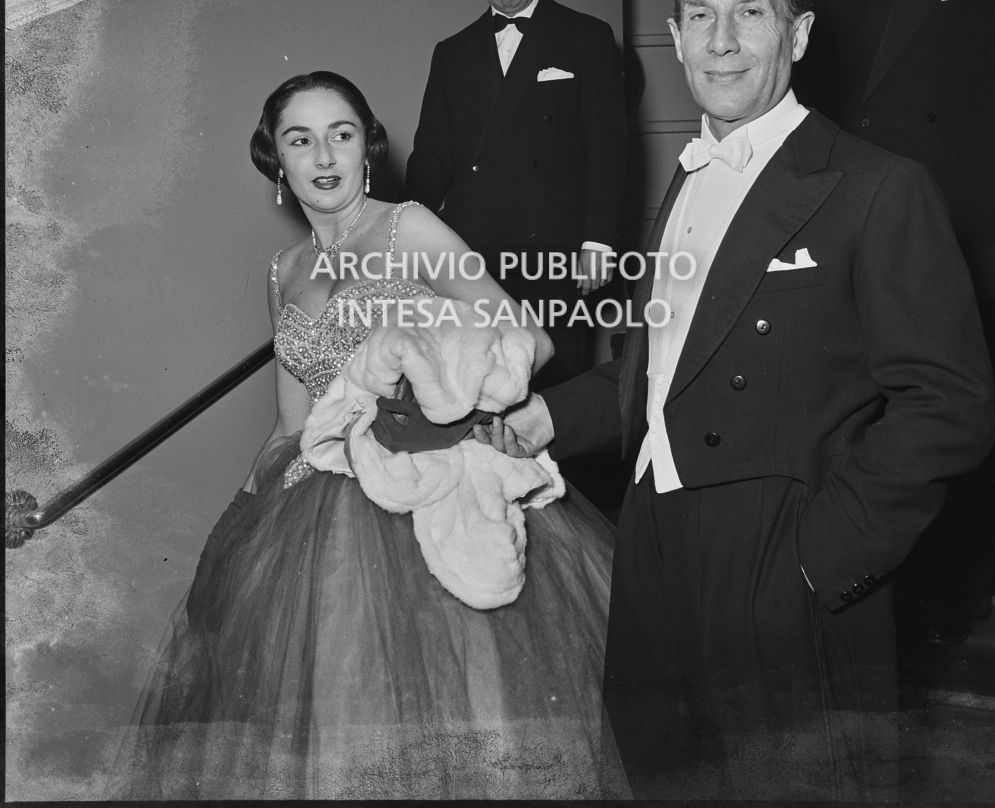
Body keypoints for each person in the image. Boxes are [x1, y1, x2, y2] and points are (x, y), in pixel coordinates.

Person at [477, 0, 995, 801]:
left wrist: (822, 558)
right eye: (700, 16)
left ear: (799, 33)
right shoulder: (686, 182)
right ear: (675, 38)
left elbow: (951, 405)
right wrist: (543, 419)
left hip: (779, 560)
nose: (721, 41)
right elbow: (659, 369)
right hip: (653, 545)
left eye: (751, 13)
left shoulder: (877, 186)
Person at [108, 71, 629, 800]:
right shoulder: (283, 271)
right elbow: (293, 422)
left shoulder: (405, 228)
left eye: (341, 135)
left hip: (424, 493)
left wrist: (432, 397)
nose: (323, 156)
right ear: (276, 161)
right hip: (314, 512)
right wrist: (245, 510)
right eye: (300, 140)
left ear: (367, 149)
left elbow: (530, 340)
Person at [798, 0, 995, 647]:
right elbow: (819, 113)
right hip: (866, 229)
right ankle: (891, 604)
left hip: (970, 232)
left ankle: (964, 599)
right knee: (872, 416)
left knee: (962, 415)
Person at [405, 0, 629, 387]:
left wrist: (598, 241)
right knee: (478, 389)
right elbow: (430, 158)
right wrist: (405, 242)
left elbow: (607, 149)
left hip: (554, 250)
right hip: (472, 257)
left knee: (556, 389)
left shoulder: (587, 37)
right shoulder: (452, 52)